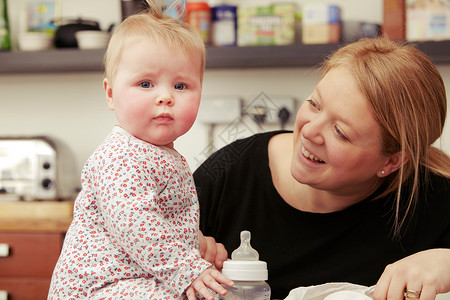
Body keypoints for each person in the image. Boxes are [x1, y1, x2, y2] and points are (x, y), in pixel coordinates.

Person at [193, 37, 450, 300]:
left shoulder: (431, 197)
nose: (309, 131)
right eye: (314, 104)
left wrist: (446, 263)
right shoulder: (228, 172)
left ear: (392, 161)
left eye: (340, 132)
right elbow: (150, 243)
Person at [48, 1, 233, 299]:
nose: (165, 97)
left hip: (134, 280)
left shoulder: (156, 153)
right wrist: (187, 268)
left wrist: (193, 245)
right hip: (100, 288)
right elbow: (134, 221)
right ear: (111, 94)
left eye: (181, 86)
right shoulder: (120, 156)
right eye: (146, 84)